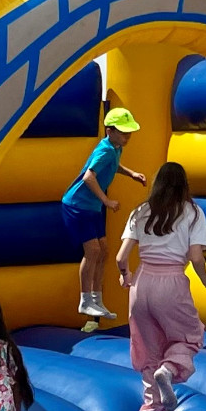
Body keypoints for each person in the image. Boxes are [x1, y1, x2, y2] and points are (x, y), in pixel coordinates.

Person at [115, 162, 206, 411]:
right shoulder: (192, 213)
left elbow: (121, 257)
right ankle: (169, 370)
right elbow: (196, 256)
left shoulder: (141, 211)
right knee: (190, 336)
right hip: (170, 281)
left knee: (147, 349)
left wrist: (126, 276)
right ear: (184, 185)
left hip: (142, 282)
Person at [60, 108, 146, 319]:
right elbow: (89, 177)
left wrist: (131, 173)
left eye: (129, 132)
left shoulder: (115, 148)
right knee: (93, 251)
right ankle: (85, 300)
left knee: (105, 251)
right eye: (124, 132)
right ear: (109, 131)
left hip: (90, 207)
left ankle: (97, 299)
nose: (128, 137)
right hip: (77, 205)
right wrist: (106, 200)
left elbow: (112, 165)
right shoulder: (105, 149)